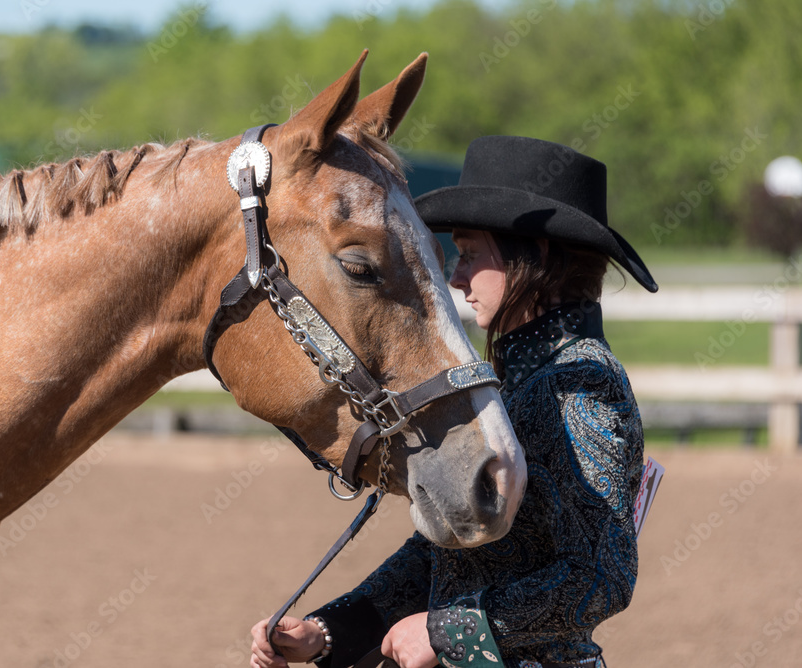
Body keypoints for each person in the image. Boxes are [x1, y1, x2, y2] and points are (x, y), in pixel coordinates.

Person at [249, 135, 658, 668]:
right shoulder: (520, 380)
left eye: (469, 255)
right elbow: (443, 560)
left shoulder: (582, 384)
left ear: (535, 256)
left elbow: (601, 577)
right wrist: (325, 632)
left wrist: (448, 633)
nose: (457, 277)